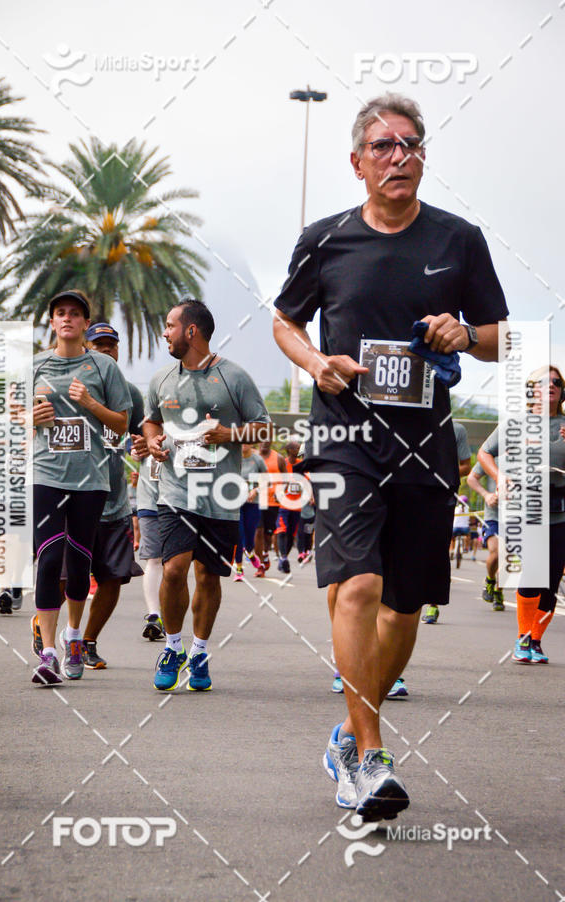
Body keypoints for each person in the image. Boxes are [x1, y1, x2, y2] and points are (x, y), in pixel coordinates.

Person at [273, 92, 508, 818]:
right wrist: (316, 363)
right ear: (357, 163)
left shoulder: (459, 239)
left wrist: (463, 336)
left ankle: (348, 732)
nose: (399, 155)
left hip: (426, 445)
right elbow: (285, 322)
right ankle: (372, 759)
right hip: (345, 440)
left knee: (405, 606)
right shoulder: (325, 240)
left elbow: (500, 333)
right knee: (358, 589)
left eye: (410, 144)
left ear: (423, 158)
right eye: (383, 145)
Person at [143, 298, 270, 692]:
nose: (165, 333)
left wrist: (229, 435)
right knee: (174, 569)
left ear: (191, 331)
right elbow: (150, 421)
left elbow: (264, 429)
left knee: (208, 577)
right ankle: (173, 646)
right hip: (176, 491)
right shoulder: (162, 379)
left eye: (169, 325)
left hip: (220, 495)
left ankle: (199, 652)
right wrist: (152, 443)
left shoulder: (234, 377)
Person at [30, 291, 132, 685]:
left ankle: (75, 636)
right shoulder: (35, 365)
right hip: (47, 475)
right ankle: (49, 653)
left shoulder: (103, 366)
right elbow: (13, 418)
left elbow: (121, 424)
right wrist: (31, 419)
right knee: (48, 558)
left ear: (85, 324)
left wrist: (90, 402)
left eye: (75, 314)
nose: (68, 319)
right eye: (61, 313)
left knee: (79, 563)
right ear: (52, 322)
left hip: (91, 479)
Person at [478, 366, 565, 663]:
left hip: (560, 511)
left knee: (551, 583)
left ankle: (536, 642)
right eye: (544, 382)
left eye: (556, 382)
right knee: (531, 574)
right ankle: (523, 638)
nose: (551, 385)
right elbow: (484, 453)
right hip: (527, 508)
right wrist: (500, 477)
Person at [76, 322, 145, 669]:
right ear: (86, 349)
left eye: (110, 345)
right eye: (98, 345)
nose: (105, 350)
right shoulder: (71, 388)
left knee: (114, 578)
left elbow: (144, 432)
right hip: (73, 497)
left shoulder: (130, 392)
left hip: (115, 501)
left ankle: (87, 641)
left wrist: (148, 444)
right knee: (64, 579)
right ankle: (46, 627)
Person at [421, 420, 472, 624]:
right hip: (411, 490)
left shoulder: (457, 429)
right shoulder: (412, 421)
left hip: (443, 495)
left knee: (437, 547)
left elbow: (466, 466)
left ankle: (432, 605)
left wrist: (441, 474)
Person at [135, 452, 165, 640]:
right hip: (150, 502)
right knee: (154, 559)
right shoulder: (143, 423)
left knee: (176, 564)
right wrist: (137, 450)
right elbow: (135, 451)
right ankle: (154, 615)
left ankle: (170, 613)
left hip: (183, 503)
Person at [467, 458, 503, 610]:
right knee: (495, 552)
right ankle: (490, 579)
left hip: (518, 516)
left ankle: (498, 592)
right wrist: (486, 494)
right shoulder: (492, 457)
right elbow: (471, 478)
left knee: (509, 558)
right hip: (493, 515)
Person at [233, 444, 266, 581]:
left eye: (247, 442)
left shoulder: (257, 459)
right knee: (238, 535)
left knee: (250, 535)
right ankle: (239, 569)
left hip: (253, 503)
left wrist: (255, 490)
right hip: (235, 503)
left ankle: (250, 553)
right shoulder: (232, 457)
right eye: (241, 442)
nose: (244, 445)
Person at [254, 441, 287, 571]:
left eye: (267, 441)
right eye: (261, 441)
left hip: (273, 502)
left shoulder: (278, 458)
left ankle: (265, 553)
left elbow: (286, 478)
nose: (264, 444)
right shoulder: (253, 457)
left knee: (268, 534)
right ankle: (261, 563)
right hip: (257, 500)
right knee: (258, 531)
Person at [275, 440, 303, 575]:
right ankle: (284, 558)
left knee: (291, 535)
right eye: (297, 447)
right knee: (282, 530)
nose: (299, 448)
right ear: (290, 450)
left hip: (297, 506)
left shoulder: (302, 464)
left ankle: (282, 558)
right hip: (283, 505)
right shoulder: (283, 463)